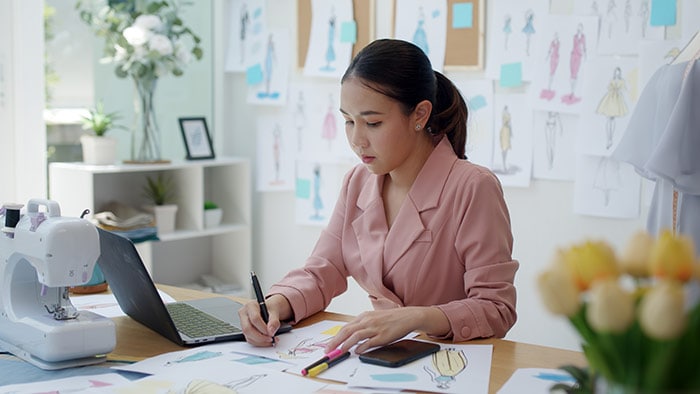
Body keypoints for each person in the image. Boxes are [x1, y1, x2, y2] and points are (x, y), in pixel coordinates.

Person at [238, 39, 518, 354]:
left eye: (372, 123)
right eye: (348, 121)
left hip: (453, 364)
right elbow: (322, 270)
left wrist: (418, 318)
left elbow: (496, 308)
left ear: (420, 115)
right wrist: (276, 304)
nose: (357, 140)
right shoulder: (357, 182)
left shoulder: (473, 187)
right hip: (379, 362)